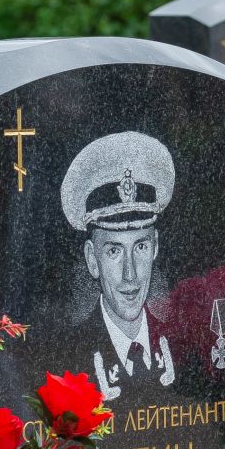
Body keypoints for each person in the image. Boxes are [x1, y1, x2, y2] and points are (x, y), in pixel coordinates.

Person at [58, 130, 178, 399]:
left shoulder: (180, 344)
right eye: (114, 250)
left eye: (141, 247)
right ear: (92, 259)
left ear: (155, 247)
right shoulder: (66, 355)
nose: (130, 274)